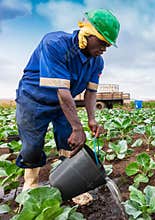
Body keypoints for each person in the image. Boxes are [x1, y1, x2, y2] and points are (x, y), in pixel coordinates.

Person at [15, 9, 120, 202]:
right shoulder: (54, 44)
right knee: (32, 146)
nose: (105, 48)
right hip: (34, 100)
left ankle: (69, 181)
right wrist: (77, 126)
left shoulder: (97, 62)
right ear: (88, 34)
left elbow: (91, 93)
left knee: (68, 141)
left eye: (108, 45)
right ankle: (31, 183)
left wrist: (91, 119)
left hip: (64, 104)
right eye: (103, 42)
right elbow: (62, 92)